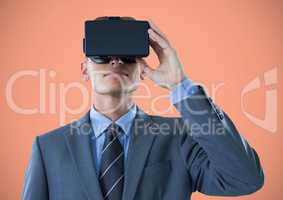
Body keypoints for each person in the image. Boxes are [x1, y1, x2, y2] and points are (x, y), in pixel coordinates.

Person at [22, 16, 264, 200]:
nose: (115, 61)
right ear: (84, 70)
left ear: (142, 71)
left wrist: (179, 85)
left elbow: (245, 179)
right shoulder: (48, 147)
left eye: (128, 55)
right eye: (101, 56)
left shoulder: (178, 137)